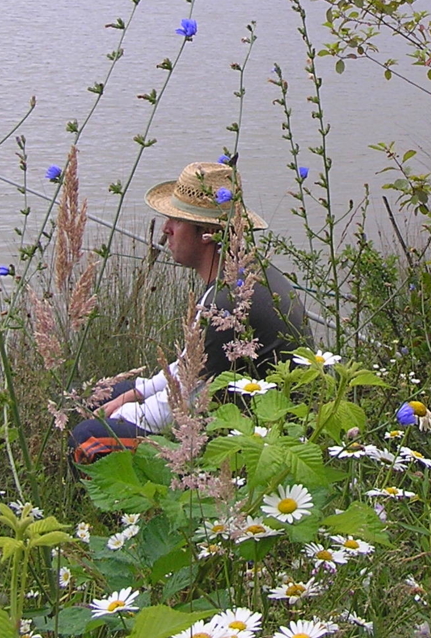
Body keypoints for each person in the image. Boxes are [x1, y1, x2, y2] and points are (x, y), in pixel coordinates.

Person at [69, 161, 311, 464]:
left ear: (208, 233)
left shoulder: (228, 301)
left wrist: (123, 411)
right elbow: (190, 367)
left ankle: (113, 510)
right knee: (100, 393)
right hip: (224, 405)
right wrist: (135, 392)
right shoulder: (239, 274)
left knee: (88, 439)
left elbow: (188, 401)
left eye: (177, 220)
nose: (166, 229)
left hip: (250, 432)